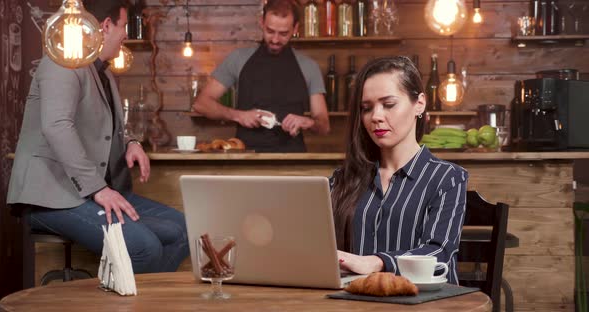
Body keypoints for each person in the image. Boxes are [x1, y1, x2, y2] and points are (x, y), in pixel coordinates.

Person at [7, 0, 189, 274]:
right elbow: (57, 126)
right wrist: (99, 189)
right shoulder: (65, 60)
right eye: (124, 26)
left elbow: (102, 124)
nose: (126, 34)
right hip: (52, 198)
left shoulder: (101, 70)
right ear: (106, 26)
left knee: (184, 229)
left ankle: (133, 298)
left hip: (86, 193)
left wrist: (130, 143)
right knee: (144, 247)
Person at [329, 56, 468, 285]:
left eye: (389, 104)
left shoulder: (448, 178)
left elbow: (438, 252)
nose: (376, 117)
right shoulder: (344, 179)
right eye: (366, 108)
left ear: (419, 104)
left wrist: (377, 262)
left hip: (426, 304)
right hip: (356, 302)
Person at [193, 0, 330, 153]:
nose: (275, 39)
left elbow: (324, 126)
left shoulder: (309, 67)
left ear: (295, 28)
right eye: (270, 31)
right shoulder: (238, 59)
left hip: (293, 162)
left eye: (284, 33)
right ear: (262, 23)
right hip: (245, 160)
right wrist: (238, 115)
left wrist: (308, 122)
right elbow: (201, 104)